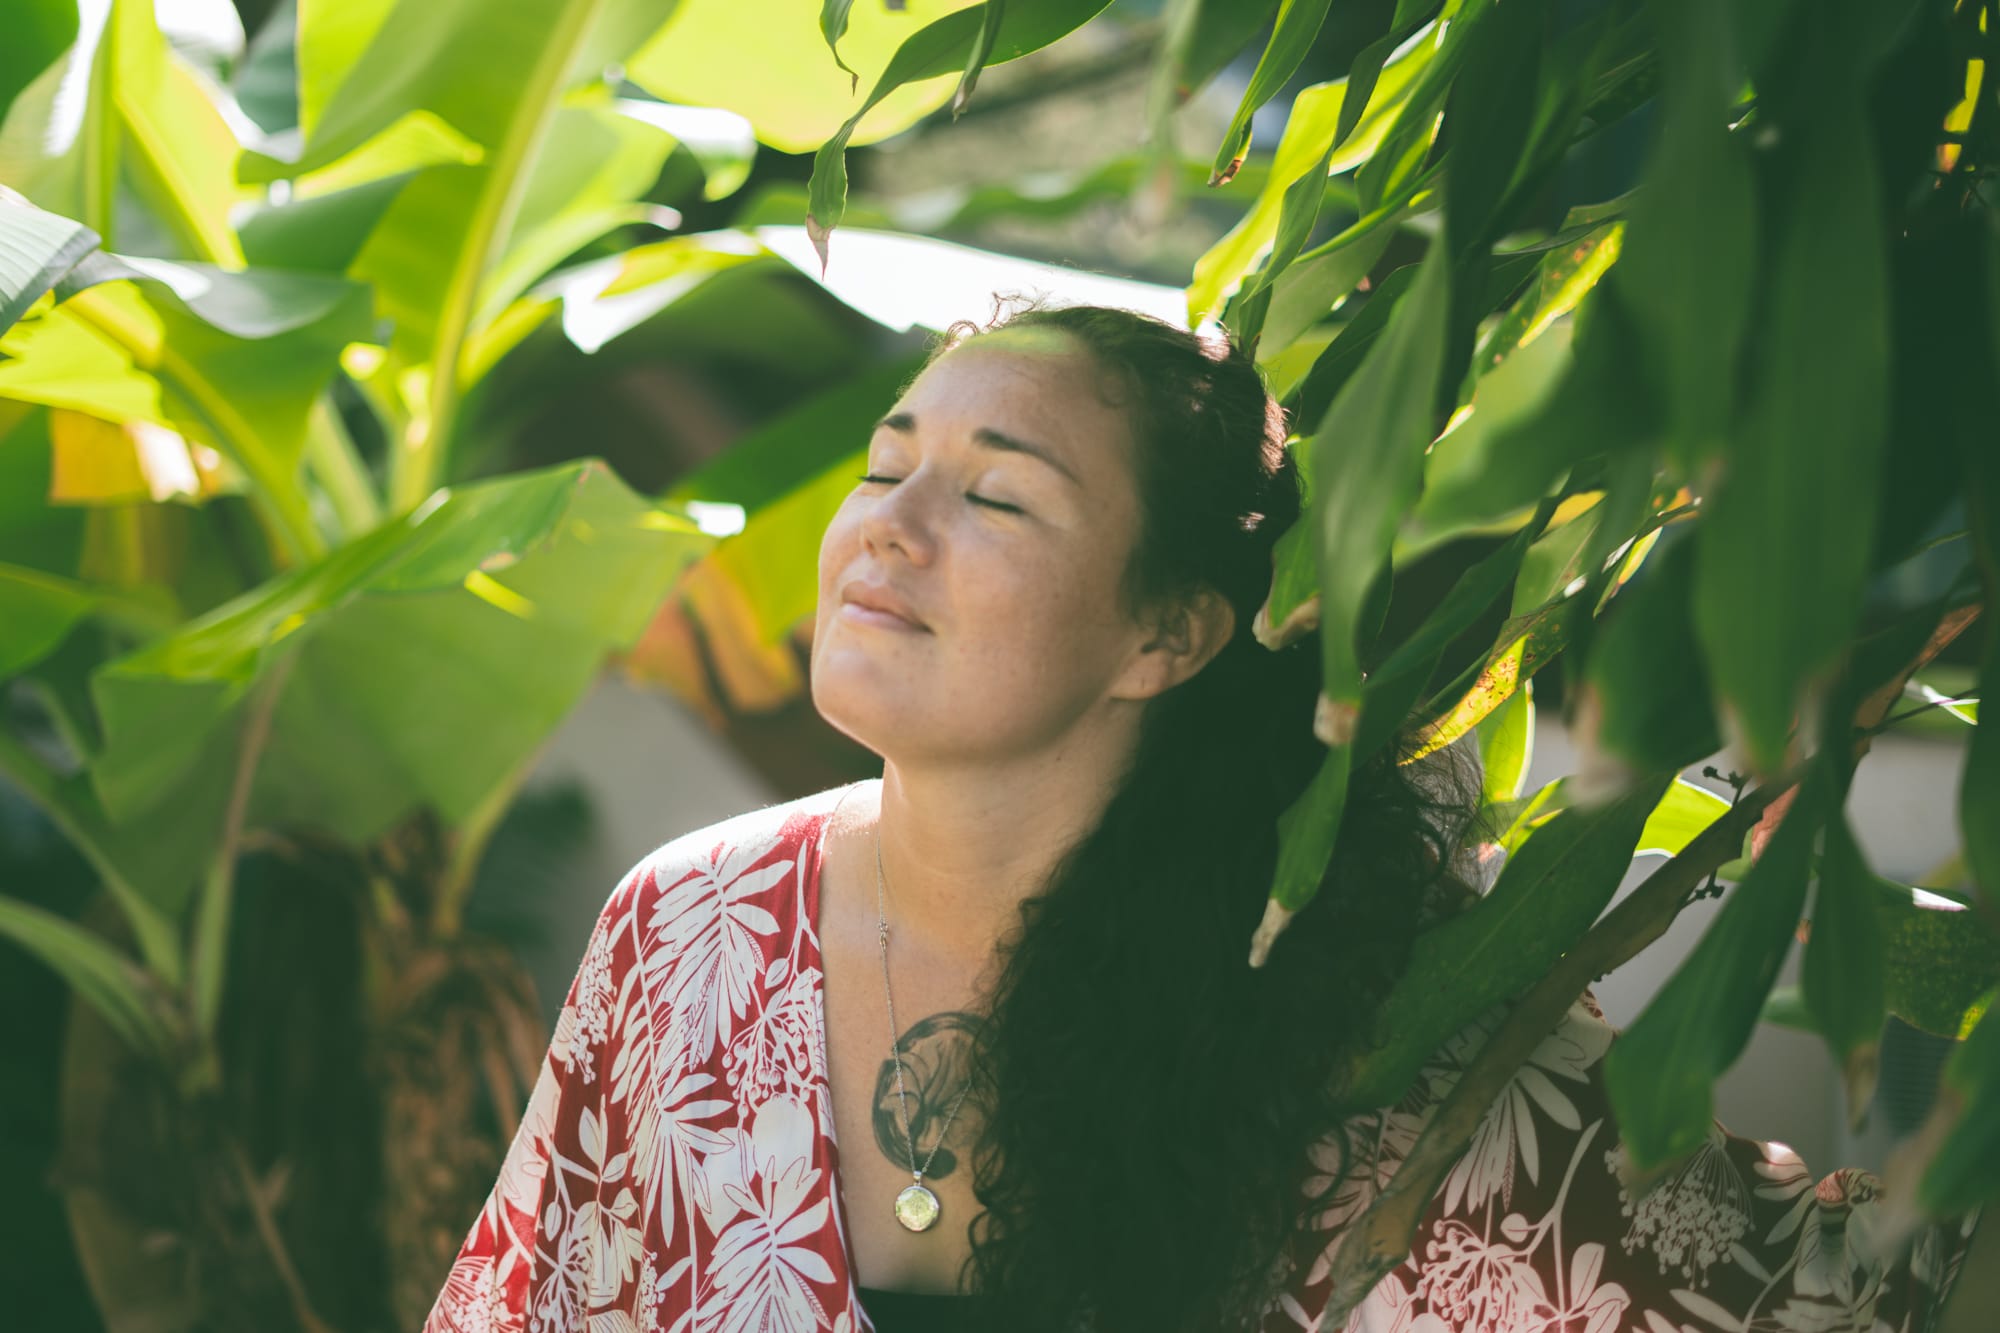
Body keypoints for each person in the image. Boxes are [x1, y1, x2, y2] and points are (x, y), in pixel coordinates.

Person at [421, 302, 1984, 1333]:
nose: (886, 527)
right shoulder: (686, 930)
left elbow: (1794, 1292)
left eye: (997, 495)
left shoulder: (1359, 1008)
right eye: (887, 462)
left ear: (1167, 633)